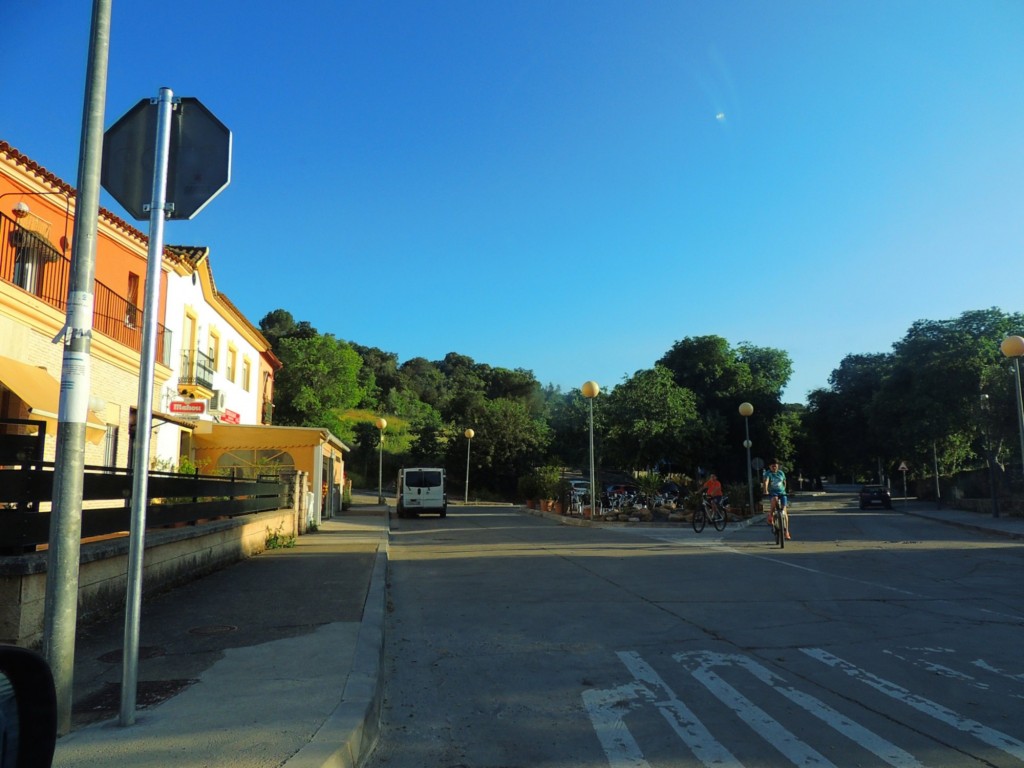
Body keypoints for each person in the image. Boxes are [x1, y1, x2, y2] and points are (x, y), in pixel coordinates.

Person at [762, 459, 791, 540]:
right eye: (772, 465)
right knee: (774, 499)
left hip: (782, 493)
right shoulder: (768, 473)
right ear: (769, 466)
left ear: (778, 466)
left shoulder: (781, 473)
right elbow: (766, 481)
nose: (774, 467)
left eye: (775, 465)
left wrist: (785, 490)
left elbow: (784, 482)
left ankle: (787, 532)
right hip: (772, 493)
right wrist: (766, 490)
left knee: (784, 512)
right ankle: (770, 515)